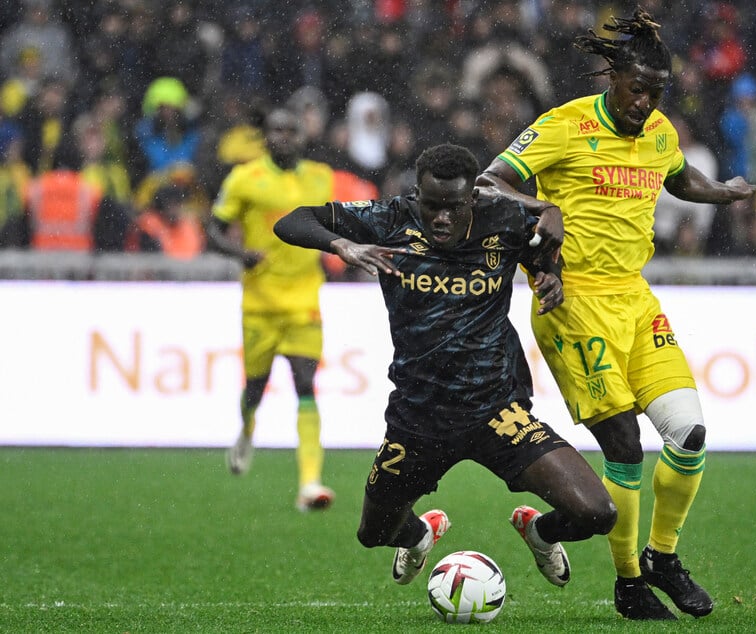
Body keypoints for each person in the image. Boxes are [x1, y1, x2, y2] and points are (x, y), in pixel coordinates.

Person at [477, 9, 756, 621]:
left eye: (657, 93)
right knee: (625, 444)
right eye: (637, 90)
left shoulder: (658, 131)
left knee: (689, 434)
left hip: (634, 297)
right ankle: (629, 585)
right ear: (614, 80)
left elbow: (679, 179)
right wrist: (540, 205)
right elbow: (487, 183)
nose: (646, 103)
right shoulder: (564, 125)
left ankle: (662, 558)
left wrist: (721, 192)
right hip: (571, 301)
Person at [273, 143, 616, 592]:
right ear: (416, 194)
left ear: (473, 197)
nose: (440, 219)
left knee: (598, 513)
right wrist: (342, 245)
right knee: (373, 534)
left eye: (452, 208)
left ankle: (540, 532)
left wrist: (549, 275)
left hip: (496, 411)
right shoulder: (391, 218)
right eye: (430, 205)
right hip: (418, 419)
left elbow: (542, 253)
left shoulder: (506, 220)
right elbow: (291, 220)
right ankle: (419, 535)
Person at [205, 107, 336, 512]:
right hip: (260, 304)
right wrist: (239, 253)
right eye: (275, 129)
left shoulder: (320, 177)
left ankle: (310, 483)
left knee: (305, 384)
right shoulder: (245, 178)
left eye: (289, 129)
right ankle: (246, 430)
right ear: (266, 137)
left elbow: (331, 225)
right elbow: (212, 228)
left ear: (302, 135)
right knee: (256, 388)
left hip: (304, 300)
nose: (282, 135)